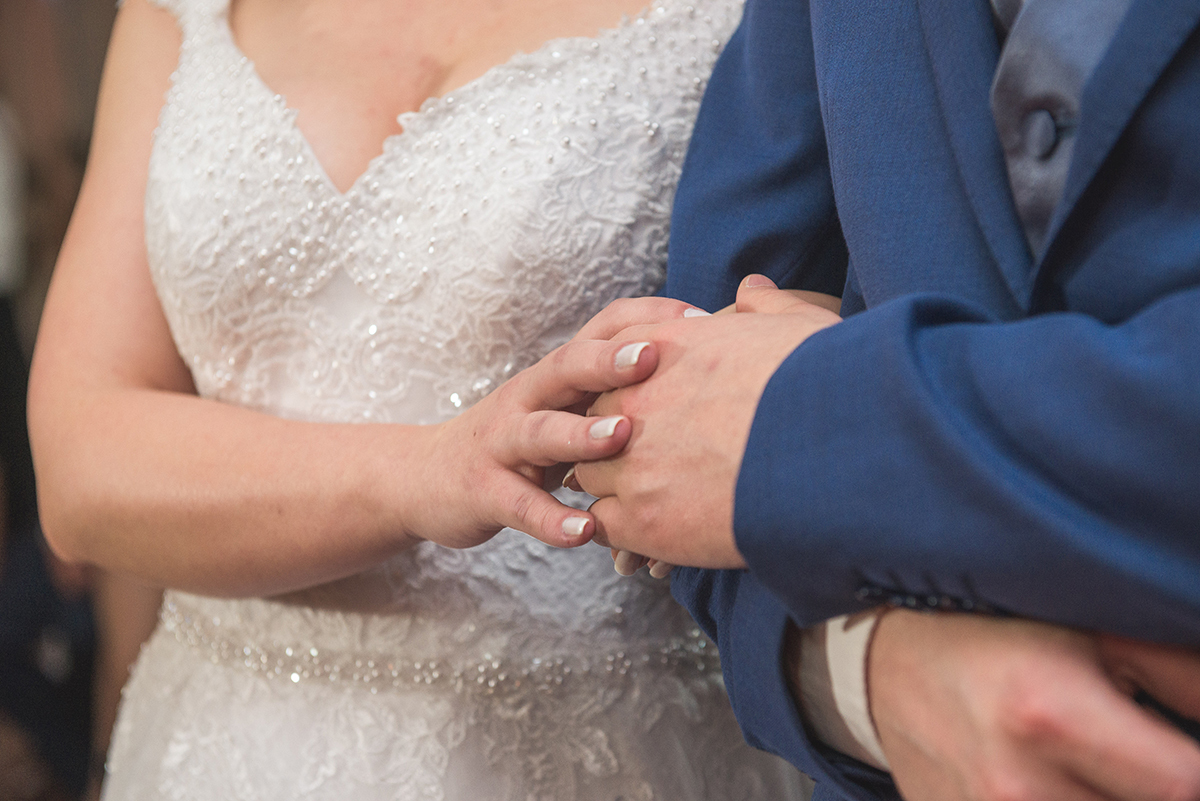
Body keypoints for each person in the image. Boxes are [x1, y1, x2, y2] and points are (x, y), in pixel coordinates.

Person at [27, 0, 811, 798]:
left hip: (603, 737)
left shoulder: (759, 20)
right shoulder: (176, 13)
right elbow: (78, 462)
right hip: (222, 745)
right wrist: (428, 469)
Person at [570, 0, 1200, 799]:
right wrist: (865, 670)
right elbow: (682, 414)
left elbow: (734, 422)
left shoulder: (807, 417)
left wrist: (805, 424)